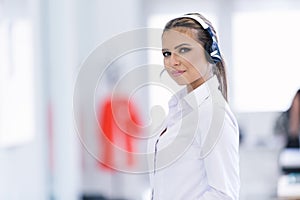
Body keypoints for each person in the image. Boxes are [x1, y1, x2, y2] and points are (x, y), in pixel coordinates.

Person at [150, 13, 240, 199]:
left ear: (210, 52)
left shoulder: (213, 113)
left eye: (183, 50)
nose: (172, 61)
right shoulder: (179, 109)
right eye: (167, 53)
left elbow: (224, 195)